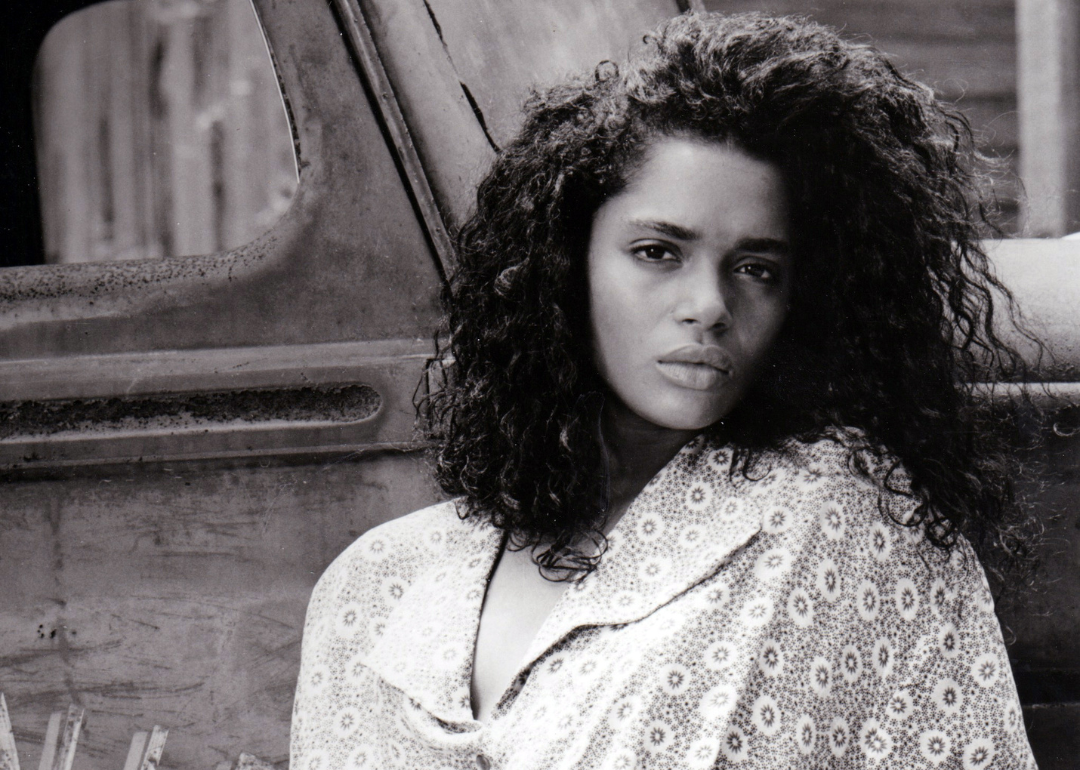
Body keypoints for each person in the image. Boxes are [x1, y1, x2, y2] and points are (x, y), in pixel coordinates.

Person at [290, 12, 1039, 770]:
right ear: (564, 261)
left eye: (756, 269)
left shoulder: (845, 524)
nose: (709, 305)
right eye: (658, 252)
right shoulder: (377, 584)